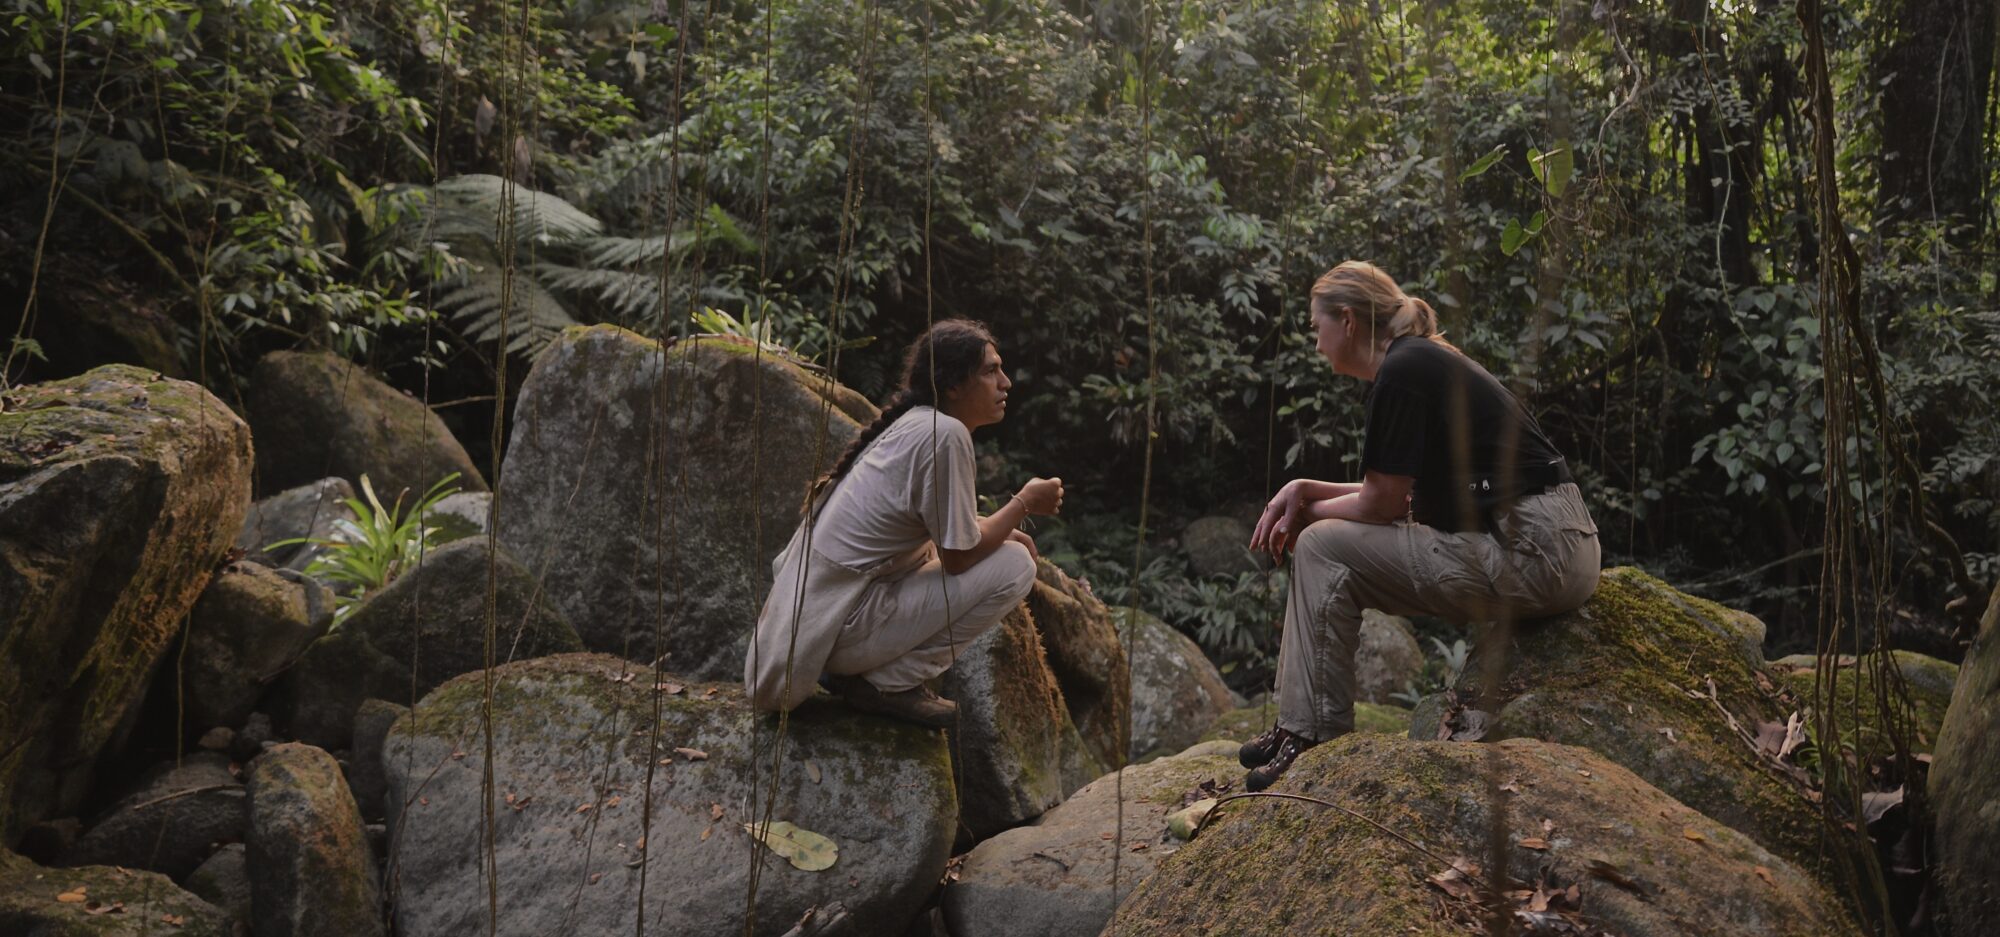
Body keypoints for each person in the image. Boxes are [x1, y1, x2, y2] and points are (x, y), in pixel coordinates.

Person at [1239, 260, 1600, 791]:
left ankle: (1310, 734)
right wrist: (1304, 490)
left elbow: (1381, 505)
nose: (1317, 345)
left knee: (1320, 547)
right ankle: (1297, 723)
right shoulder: (1419, 361)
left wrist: (1305, 515)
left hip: (1533, 549)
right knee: (1321, 537)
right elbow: (1393, 494)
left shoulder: (1403, 372)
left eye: (1317, 329)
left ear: (1348, 321)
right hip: (1559, 544)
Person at [745, 319, 1064, 727]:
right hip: (833, 632)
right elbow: (958, 558)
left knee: (1007, 549)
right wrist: (1023, 503)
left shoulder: (916, 424)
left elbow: (938, 528)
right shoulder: (943, 434)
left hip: (814, 632)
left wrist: (997, 526)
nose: (1005, 383)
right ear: (953, 386)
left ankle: (865, 677)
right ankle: (886, 684)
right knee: (1016, 565)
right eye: (990, 371)